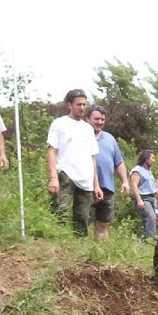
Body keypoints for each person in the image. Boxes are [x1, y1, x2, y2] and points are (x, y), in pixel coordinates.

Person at [47, 89, 103, 236]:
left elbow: (92, 157)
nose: (82, 108)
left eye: (84, 104)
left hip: (85, 178)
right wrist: (53, 177)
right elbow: (52, 150)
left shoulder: (87, 129)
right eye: (79, 104)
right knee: (60, 213)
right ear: (69, 105)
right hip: (65, 175)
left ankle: (79, 250)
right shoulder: (59, 124)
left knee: (83, 219)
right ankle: (56, 244)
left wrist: (96, 185)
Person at [85, 104, 130, 241]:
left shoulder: (110, 138)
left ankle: (101, 253)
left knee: (102, 222)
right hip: (85, 185)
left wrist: (124, 181)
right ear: (87, 119)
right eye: (96, 119)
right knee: (84, 221)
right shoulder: (82, 136)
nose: (99, 122)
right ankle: (81, 252)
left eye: (102, 120)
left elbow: (119, 162)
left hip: (107, 186)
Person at [129, 149, 158, 242]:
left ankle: (144, 239)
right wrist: (139, 200)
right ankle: (151, 240)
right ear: (146, 159)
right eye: (152, 158)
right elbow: (134, 186)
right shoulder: (137, 170)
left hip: (151, 198)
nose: (154, 160)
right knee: (150, 217)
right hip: (143, 198)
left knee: (152, 218)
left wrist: (154, 199)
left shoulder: (148, 171)